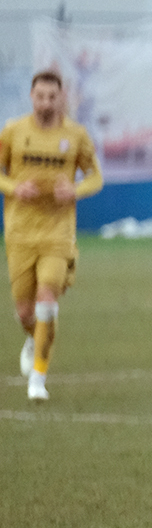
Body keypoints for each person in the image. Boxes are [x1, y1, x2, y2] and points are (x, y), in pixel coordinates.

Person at [1, 71, 103, 402]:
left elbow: (95, 176)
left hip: (58, 234)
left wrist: (73, 191)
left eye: (52, 96)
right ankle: (34, 339)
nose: (46, 102)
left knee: (48, 300)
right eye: (40, 96)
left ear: (62, 98)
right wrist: (16, 188)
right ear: (31, 97)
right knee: (26, 313)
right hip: (20, 234)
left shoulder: (75, 135)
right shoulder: (14, 132)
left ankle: (38, 380)